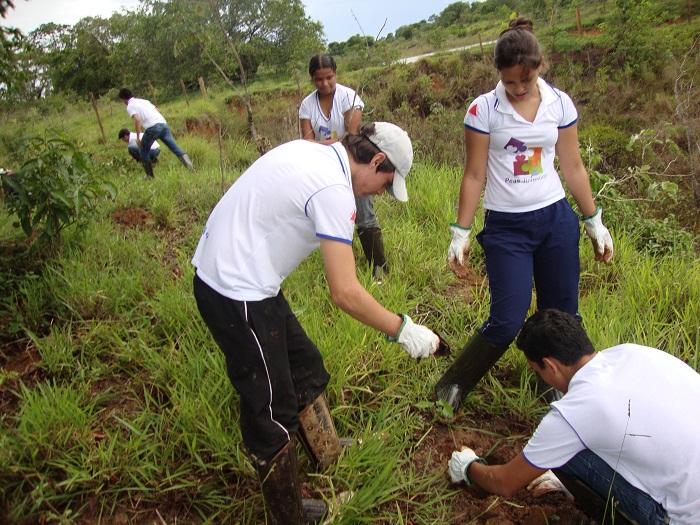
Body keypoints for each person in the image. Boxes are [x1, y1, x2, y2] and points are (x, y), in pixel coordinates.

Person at [191, 122, 441, 524]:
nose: (380, 193)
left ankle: (327, 450)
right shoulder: (334, 191)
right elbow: (344, 292)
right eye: (385, 183)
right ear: (376, 160)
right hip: (234, 290)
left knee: (304, 364)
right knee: (271, 411)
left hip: (250, 278)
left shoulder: (316, 152)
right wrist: (402, 329)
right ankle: (289, 516)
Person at [434, 16, 614, 415]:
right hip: (507, 227)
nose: (516, 90)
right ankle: (453, 384)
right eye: (509, 81)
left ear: (539, 69)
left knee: (562, 314)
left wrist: (592, 221)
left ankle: (555, 389)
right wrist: (460, 231)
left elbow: (573, 167)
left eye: (525, 82)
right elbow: (474, 173)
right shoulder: (483, 109)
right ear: (498, 72)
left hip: (555, 220)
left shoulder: (559, 103)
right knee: (507, 318)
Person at [448, 309, 700, 525]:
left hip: (683, 516)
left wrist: (469, 467)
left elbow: (503, 482)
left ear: (551, 365)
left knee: (561, 450)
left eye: (538, 371)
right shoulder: (631, 352)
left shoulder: (573, 413)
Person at [299, 54, 390, 281]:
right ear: (312, 79)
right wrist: (330, 144)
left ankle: (379, 270)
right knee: (334, 218)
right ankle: (343, 273)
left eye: (329, 77)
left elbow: (353, 136)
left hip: (353, 166)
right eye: (319, 79)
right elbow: (306, 143)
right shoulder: (307, 105)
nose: (325, 83)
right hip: (324, 169)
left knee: (364, 215)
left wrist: (323, 145)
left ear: (336, 74)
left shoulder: (349, 97)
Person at [117, 87, 194, 177]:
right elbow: (159, 110)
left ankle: (150, 177)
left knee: (143, 151)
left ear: (123, 99)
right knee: (175, 148)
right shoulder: (143, 101)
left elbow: (137, 120)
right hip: (163, 124)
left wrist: (138, 138)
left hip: (152, 128)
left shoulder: (130, 106)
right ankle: (191, 169)